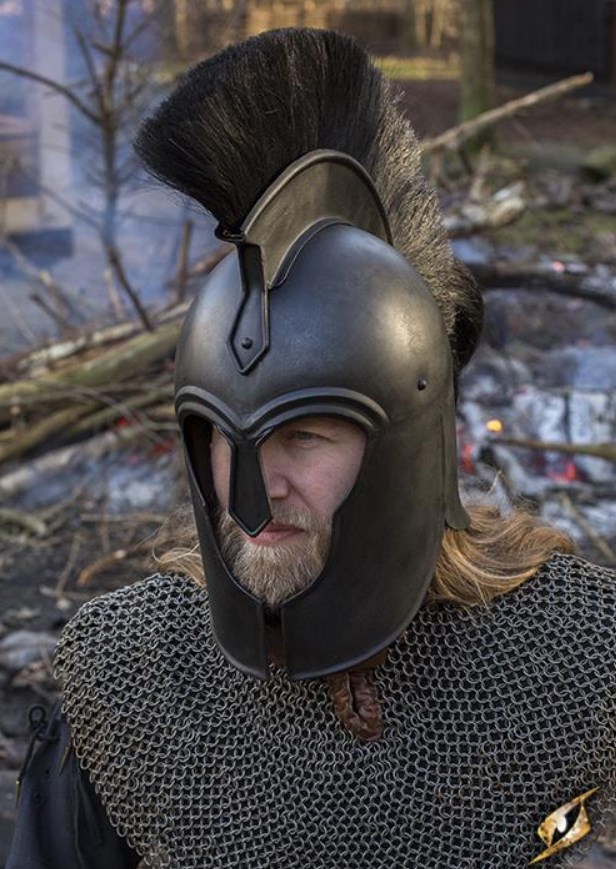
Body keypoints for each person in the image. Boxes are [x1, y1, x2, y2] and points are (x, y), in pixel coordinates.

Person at [7, 27, 616, 869]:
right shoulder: (133, 677)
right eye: (224, 436)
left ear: (408, 444)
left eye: (305, 435)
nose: (253, 495)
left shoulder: (581, 662)